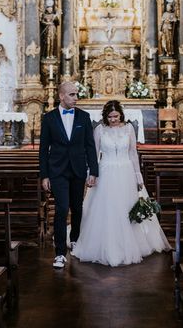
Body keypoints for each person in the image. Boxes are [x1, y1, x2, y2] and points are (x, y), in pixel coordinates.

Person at [72, 100, 170, 267]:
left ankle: (131, 243)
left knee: (126, 207)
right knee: (108, 208)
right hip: (106, 172)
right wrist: (91, 174)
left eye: (116, 116)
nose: (113, 119)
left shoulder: (129, 128)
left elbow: (132, 153)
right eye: (110, 117)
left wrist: (138, 176)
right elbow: (93, 155)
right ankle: (106, 243)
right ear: (105, 116)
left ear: (121, 115)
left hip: (126, 172)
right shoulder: (99, 130)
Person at [39, 81, 99, 269]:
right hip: (57, 170)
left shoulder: (84, 116)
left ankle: (75, 239)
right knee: (62, 208)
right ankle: (59, 252)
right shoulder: (48, 118)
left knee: (77, 207)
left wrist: (94, 171)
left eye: (76, 94)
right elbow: (43, 149)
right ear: (61, 96)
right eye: (72, 94)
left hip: (78, 169)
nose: (76, 98)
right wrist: (44, 175)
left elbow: (90, 146)